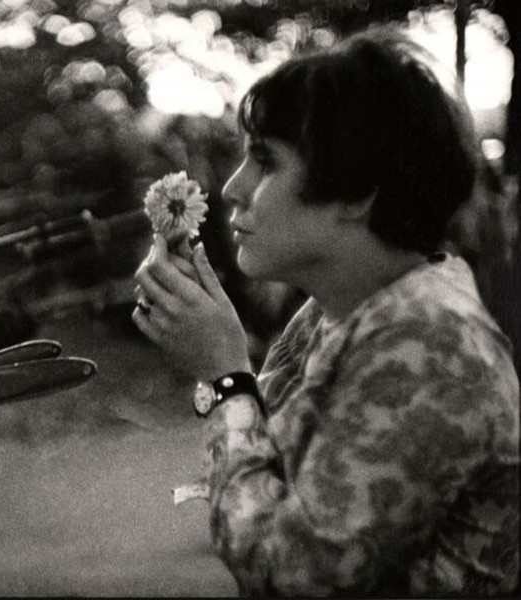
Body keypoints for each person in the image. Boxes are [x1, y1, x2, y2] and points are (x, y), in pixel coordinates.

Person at [133, 28, 519, 596]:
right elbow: (263, 464)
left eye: (265, 161)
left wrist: (222, 376)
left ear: (360, 191)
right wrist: (216, 357)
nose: (234, 188)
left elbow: (292, 573)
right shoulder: (338, 310)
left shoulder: (428, 341)